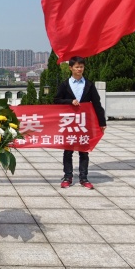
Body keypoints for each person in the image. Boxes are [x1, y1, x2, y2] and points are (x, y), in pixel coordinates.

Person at [54, 56, 107, 189]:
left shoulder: (88, 84)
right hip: (70, 122)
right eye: (77, 67)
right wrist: (69, 101)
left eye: (81, 67)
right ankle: (68, 176)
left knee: (84, 150)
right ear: (70, 68)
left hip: (84, 122)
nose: (79, 69)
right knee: (68, 150)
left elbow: (97, 104)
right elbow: (56, 99)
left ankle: (84, 177)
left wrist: (102, 122)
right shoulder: (65, 84)